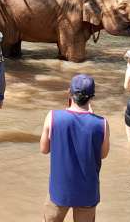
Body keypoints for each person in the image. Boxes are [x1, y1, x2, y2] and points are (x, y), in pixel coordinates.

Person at [40, 74, 110, 222]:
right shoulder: (102, 123)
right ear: (92, 97)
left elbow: (44, 149)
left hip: (60, 191)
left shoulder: (53, 117)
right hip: (87, 192)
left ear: (69, 93)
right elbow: (103, 155)